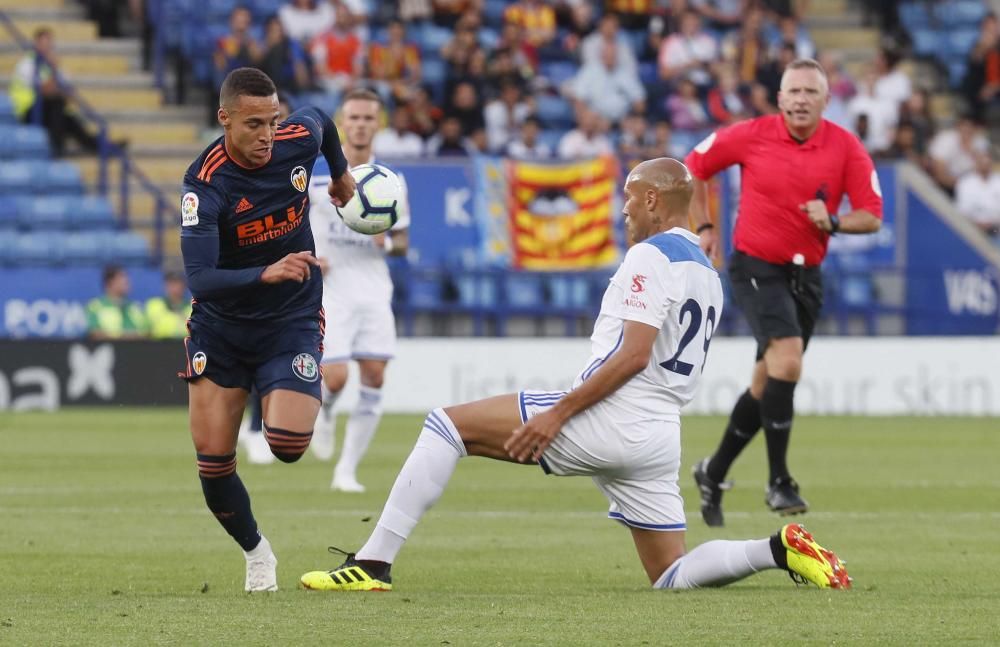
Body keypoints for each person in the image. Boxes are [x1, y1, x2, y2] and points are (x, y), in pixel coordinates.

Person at [299, 157, 852, 593]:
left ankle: (372, 563)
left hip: (612, 416)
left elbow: (634, 355)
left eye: (630, 199)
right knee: (670, 574)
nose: (623, 211)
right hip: (661, 436)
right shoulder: (708, 272)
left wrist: (557, 415)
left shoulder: (649, 257)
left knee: (445, 426)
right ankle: (775, 550)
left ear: (655, 200)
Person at [684, 58, 883, 527]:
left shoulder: (846, 148)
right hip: (754, 266)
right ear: (779, 99)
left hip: (806, 276)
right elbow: (694, 167)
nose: (800, 99)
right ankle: (779, 480)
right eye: (792, 91)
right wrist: (706, 225)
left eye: (810, 92)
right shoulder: (750, 134)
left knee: (768, 380)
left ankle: (712, 472)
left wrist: (833, 221)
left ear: (825, 101)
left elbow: (872, 214)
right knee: (789, 359)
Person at [178, 67, 355, 592]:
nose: (267, 137)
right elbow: (201, 279)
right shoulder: (204, 184)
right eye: (254, 125)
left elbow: (321, 121)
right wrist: (266, 271)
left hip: (289, 319)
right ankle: (258, 552)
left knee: (286, 442)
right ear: (224, 119)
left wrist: (341, 174)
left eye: (273, 123)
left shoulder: (293, 142)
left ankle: (302, 399)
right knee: (213, 466)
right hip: (221, 329)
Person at [308, 88, 411, 492]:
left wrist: (386, 241)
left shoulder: (390, 180)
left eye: (369, 118)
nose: (361, 124)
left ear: (378, 124)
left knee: (375, 376)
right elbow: (290, 226)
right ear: (341, 122)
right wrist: (309, 255)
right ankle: (327, 412)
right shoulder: (316, 177)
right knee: (334, 378)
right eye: (354, 118)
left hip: (372, 289)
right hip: (331, 289)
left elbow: (402, 240)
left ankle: (345, 471)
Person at [8, 27, 101, 157]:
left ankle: (99, 146)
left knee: (67, 117)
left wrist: (56, 85)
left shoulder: (51, 65)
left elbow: (69, 93)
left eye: (49, 43)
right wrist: (54, 72)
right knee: (58, 105)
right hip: (27, 113)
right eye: (43, 43)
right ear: (36, 44)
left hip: (47, 112)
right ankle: (58, 148)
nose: (47, 47)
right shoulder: (27, 64)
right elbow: (44, 90)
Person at [87, 265, 148, 340]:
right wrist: (126, 337)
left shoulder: (136, 307)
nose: (127, 282)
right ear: (110, 282)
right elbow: (95, 333)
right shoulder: (96, 306)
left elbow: (147, 333)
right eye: (121, 278)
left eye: (126, 278)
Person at [145, 270, 192, 339]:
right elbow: (147, 332)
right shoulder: (153, 304)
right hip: (160, 346)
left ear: (184, 285)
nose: (173, 287)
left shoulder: (193, 307)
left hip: (186, 346)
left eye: (177, 283)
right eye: (170, 283)